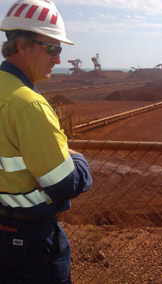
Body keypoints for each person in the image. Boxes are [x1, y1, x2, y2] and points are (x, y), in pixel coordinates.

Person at [0, 0, 92, 283]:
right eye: (51, 47)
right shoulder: (29, 105)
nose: (58, 58)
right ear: (21, 46)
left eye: (59, 49)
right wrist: (76, 157)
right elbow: (67, 183)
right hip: (29, 242)